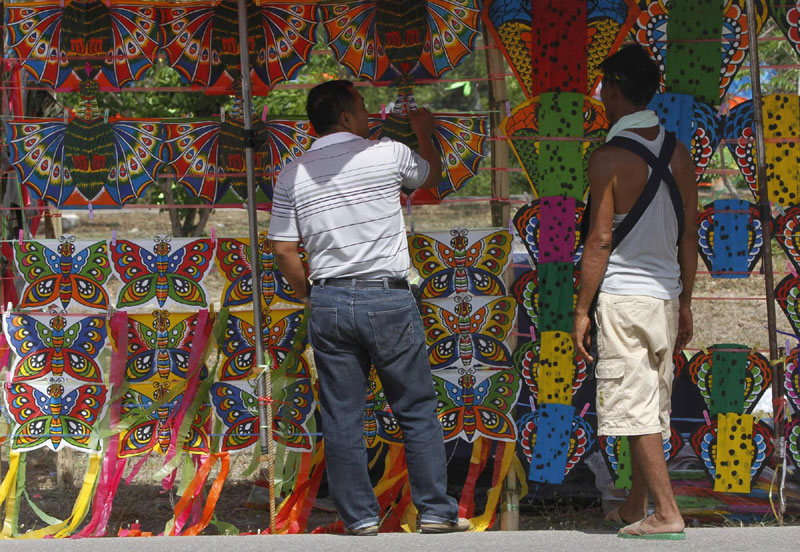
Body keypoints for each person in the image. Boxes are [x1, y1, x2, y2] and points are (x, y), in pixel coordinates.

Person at [267, 80, 469, 535]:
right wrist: (425, 133)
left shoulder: (292, 173)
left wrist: (308, 294)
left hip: (330, 298)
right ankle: (435, 511)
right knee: (415, 406)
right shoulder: (389, 153)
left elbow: (282, 249)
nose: (367, 116)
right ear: (344, 118)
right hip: (387, 297)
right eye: (361, 108)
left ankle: (359, 518)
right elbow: (430, 177)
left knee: (342, 415)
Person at [572, 45, 697, 540]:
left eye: (603, 86)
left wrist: (582, 310)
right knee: (653, 402)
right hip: (665, 296)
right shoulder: (678, 153)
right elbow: (688, 236)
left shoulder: (608, 158)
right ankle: (636, 505)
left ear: (615, 90)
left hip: (624, 296)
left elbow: (599, 240)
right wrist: (686, 302)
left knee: (635, 405)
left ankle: (667, 513)